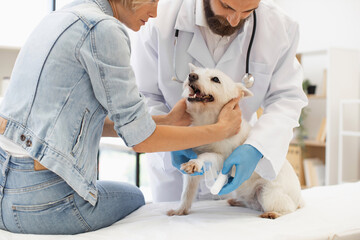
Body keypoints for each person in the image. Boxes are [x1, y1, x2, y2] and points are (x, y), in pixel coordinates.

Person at [0, 0, 243, 235]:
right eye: (152, 0)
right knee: (134, 195)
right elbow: (141, 141)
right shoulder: (103, 29)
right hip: (43, 202)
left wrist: (167, 120)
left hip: (5, 192)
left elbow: (83, 124)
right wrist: (221, 130)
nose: (156, 12)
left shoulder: (63, 16)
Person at [131, 0, 308, 202]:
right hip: (174, 174)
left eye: (248, 11)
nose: (234, 20)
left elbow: (286, 98)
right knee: (176, 225)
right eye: (227, 7)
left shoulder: (280, 27)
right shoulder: (158, 19)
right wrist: (171, 139)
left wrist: (257, 148)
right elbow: (143, 94)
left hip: (232, 157)